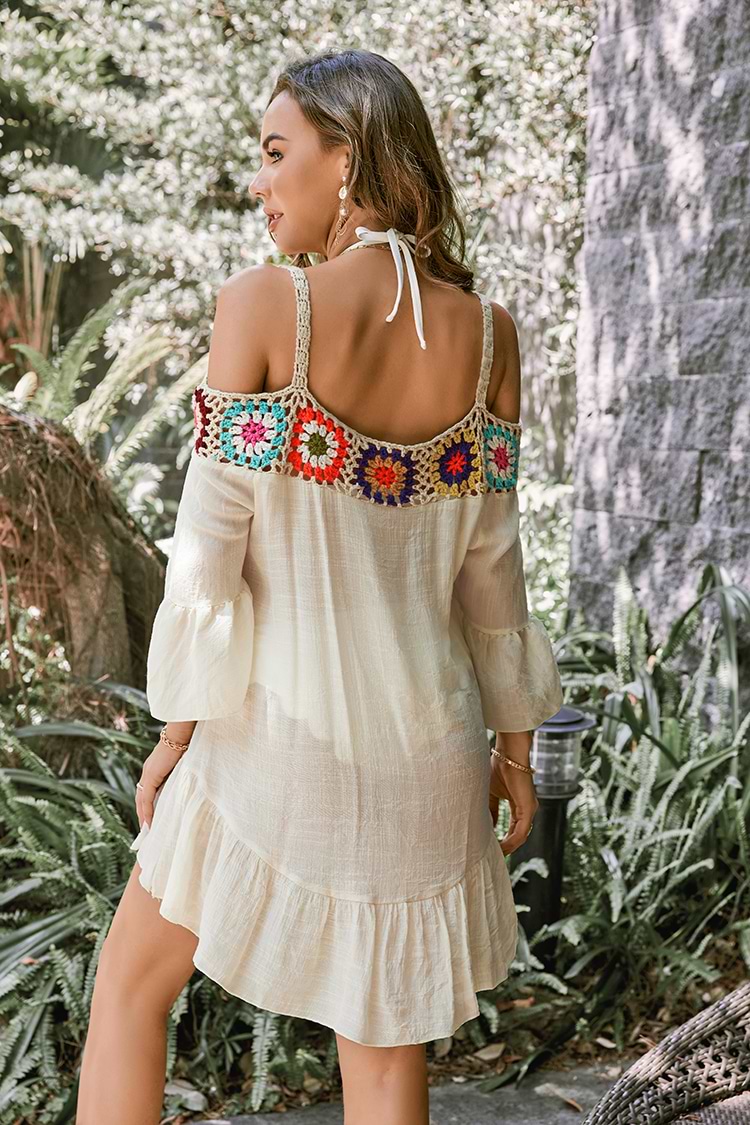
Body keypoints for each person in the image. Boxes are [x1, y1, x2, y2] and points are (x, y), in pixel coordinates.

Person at [77, 47, 563, 1125]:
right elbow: (494, 574)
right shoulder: (492, 337)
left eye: (274, 153)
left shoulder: (264, 309)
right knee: (384, 1062)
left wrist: (175, 735)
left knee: (130, 991)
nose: (259, 183)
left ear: (345, 160)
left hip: (279, 746)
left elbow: (208, 554)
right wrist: (516, 749)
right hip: (429, 762)